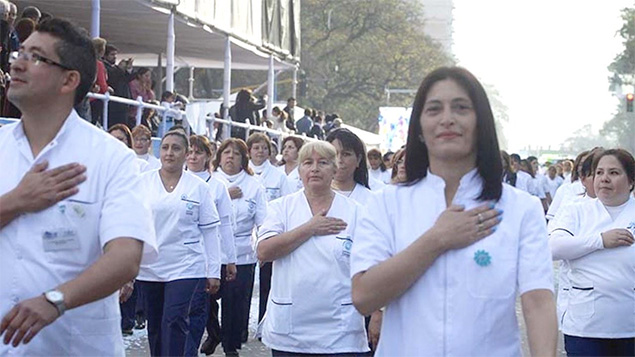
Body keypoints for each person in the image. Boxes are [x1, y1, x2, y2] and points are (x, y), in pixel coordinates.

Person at [350, 67, 557, 356]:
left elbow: (538, 302)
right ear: (419, 128)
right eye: (434, 109)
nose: (447, 118)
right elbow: (363, 296)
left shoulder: (521, 209)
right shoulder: (385, 204)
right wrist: (437, 239)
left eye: (461, 108)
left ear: (481, 123)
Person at [0, 18, 156, 355]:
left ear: (69, 80)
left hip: (73, 345)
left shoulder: (111, 159)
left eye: (36, 57)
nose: (18, 63)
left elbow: (126, 257)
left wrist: (56, 300)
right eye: (19, 52)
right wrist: (15, 201)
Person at [256, 141, 370, 355]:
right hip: (290, 332)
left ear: (335, 169)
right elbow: (264, 251)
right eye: (308, 163)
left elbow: (371, 266)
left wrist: (379, 312)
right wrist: (310, 228)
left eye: (323, 163)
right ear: (299, 170)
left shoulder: (356, 212)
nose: (315, 168)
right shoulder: (281, 208)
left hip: (340, 331)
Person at [136, 131, 221, 357]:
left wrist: (213, 271)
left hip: (185, 265)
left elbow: (211, 231)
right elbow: (132, 224)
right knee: (154, 325)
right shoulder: (143, 183)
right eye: (165, 148)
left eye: (176, 148)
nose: (169, 153)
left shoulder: (198, 187)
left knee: (174, 319)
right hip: (149, 266)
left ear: (185, 154)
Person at [549, 148, 635, 356]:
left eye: (614, 173)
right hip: (585, 327)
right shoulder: (576, 210)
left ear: (631, 181)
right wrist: (600, 241)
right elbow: (553, 248)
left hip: (629, 325)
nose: (604, 179)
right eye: (599, 173)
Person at [212, 138, 267, 356]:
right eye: (226, 153)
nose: (230, 157)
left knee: (235, 301)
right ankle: (214, 332)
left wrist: (264, 244)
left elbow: (263, 220)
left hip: (243, 251)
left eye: (235, 154)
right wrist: (225, 195)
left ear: (244, 159)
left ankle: (230, 345)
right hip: (214, 250)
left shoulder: (254, 186)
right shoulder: (211, 181)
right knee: (206, 300)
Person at [185, 135, 238, 356]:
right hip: (180, 257)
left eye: (198, 152)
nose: (193, 156)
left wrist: (231, 260)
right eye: (189, 152)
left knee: (200, 307)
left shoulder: (217, 186)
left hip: (208, 256)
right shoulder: (176, 181)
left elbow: (226, 225)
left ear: (208, 156)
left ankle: (194, 347)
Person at [246, 133, 293, 327]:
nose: (260, 152)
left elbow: (288, 202)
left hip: (272, 234)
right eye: (256, 148)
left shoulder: (278, 176)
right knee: (245, 285)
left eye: (264, 148)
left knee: (268, 282)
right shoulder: (242, 174)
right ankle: (240, 327)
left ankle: (263, 322)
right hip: (246, 236)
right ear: (249, 151)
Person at [326, 128, 373, 205]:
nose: (339, 160)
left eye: (346, 154)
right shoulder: (312, 197)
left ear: (358, 160)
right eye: (334, 154)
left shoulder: (370, 200)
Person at [103, 44, 133, 128]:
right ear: (105, 55)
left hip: (123, 104)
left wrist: (128, 69)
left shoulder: (116, 68)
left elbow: (127, 79)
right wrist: (120, 68)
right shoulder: (104, 66)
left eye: (115, 55)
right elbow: (113, 79)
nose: (115, 57)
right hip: (113, 105)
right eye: (112, 54)